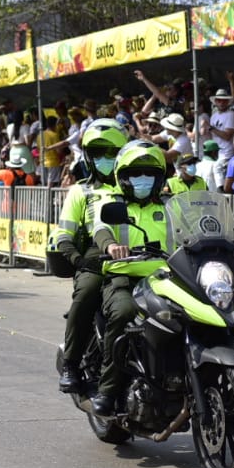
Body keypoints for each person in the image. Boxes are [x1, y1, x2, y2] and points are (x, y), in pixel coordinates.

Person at [89, 140, 171, 416]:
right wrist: (111, 246)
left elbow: (196, 230)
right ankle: (108, 389)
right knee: (124, 312)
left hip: (167, 280)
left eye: (150, 174)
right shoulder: (112, 204)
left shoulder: (172, 207)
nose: (143, 179)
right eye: (137, 174)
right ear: (123, 177)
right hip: (123, 278)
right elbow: (100, 230)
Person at [52, 118, 128, 393]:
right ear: (87, 156)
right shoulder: (81, 191)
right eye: (98, 153)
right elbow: (63, 234)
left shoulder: (139, 185)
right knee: (86, 295)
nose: (105, 158)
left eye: (112, 152)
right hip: (97, 261)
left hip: (143, 259)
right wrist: (78, 260)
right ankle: (72, 363)